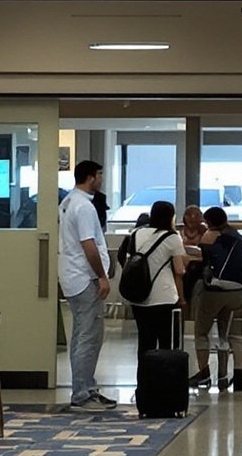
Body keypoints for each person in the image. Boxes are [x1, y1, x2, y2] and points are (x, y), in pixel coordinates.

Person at [59, 160, 117, 412]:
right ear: (91, 177)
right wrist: (102, 276)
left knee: (83, 334)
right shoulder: (83, 207)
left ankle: (86, 387)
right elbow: (88, 245)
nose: (101, 180)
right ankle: (82, 393)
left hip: (74, 276)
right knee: (89, 336)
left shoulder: (69, 202)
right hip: (84, 278)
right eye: (100, 175)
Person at [113, 201, 188, 377]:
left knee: (145, 343)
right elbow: (179, 270)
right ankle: (163, 384)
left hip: (139, 296)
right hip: (164, 298)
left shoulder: (136, 233)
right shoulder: (172, 237)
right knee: (165, 345)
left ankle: (144, 384)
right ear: (171, 217)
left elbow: (127, 258)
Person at [186, 207, 242, 391]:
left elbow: (204, 261)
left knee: (201, 332)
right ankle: (234, 375)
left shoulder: (209, 237)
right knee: (232, 334)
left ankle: (204, 374)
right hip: (238, 292)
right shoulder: (237, 236)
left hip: (214, 291)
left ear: (208, 222)